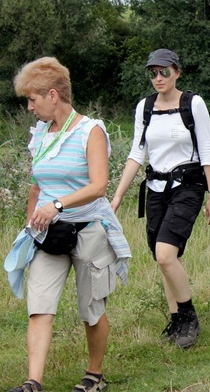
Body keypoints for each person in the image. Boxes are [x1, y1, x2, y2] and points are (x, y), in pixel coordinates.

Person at [10, 57, 131, 392]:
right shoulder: (40, 136)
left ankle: (94, 376)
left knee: (91, 308)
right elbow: (37, 186)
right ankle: (33, 382)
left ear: (52, 95)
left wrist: (58, 205)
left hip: (89, 228)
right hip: (49, 235)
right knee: (40, 307)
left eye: (32, 100)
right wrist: (30, 226)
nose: (30, 107)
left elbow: (98, 185)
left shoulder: (90, 130)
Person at [111, 49, 210, 349]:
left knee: (164, 253)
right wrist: (118, 195)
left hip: (188, 185)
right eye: (153, 73)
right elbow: (137, 152)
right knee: (165, 258)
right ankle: (175, 318)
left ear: (177, 72)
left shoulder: (193, 104)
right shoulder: (145, 107)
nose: (158, 78)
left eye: (164, 72)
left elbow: (207, 150)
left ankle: (189, 317)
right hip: (156, 189)